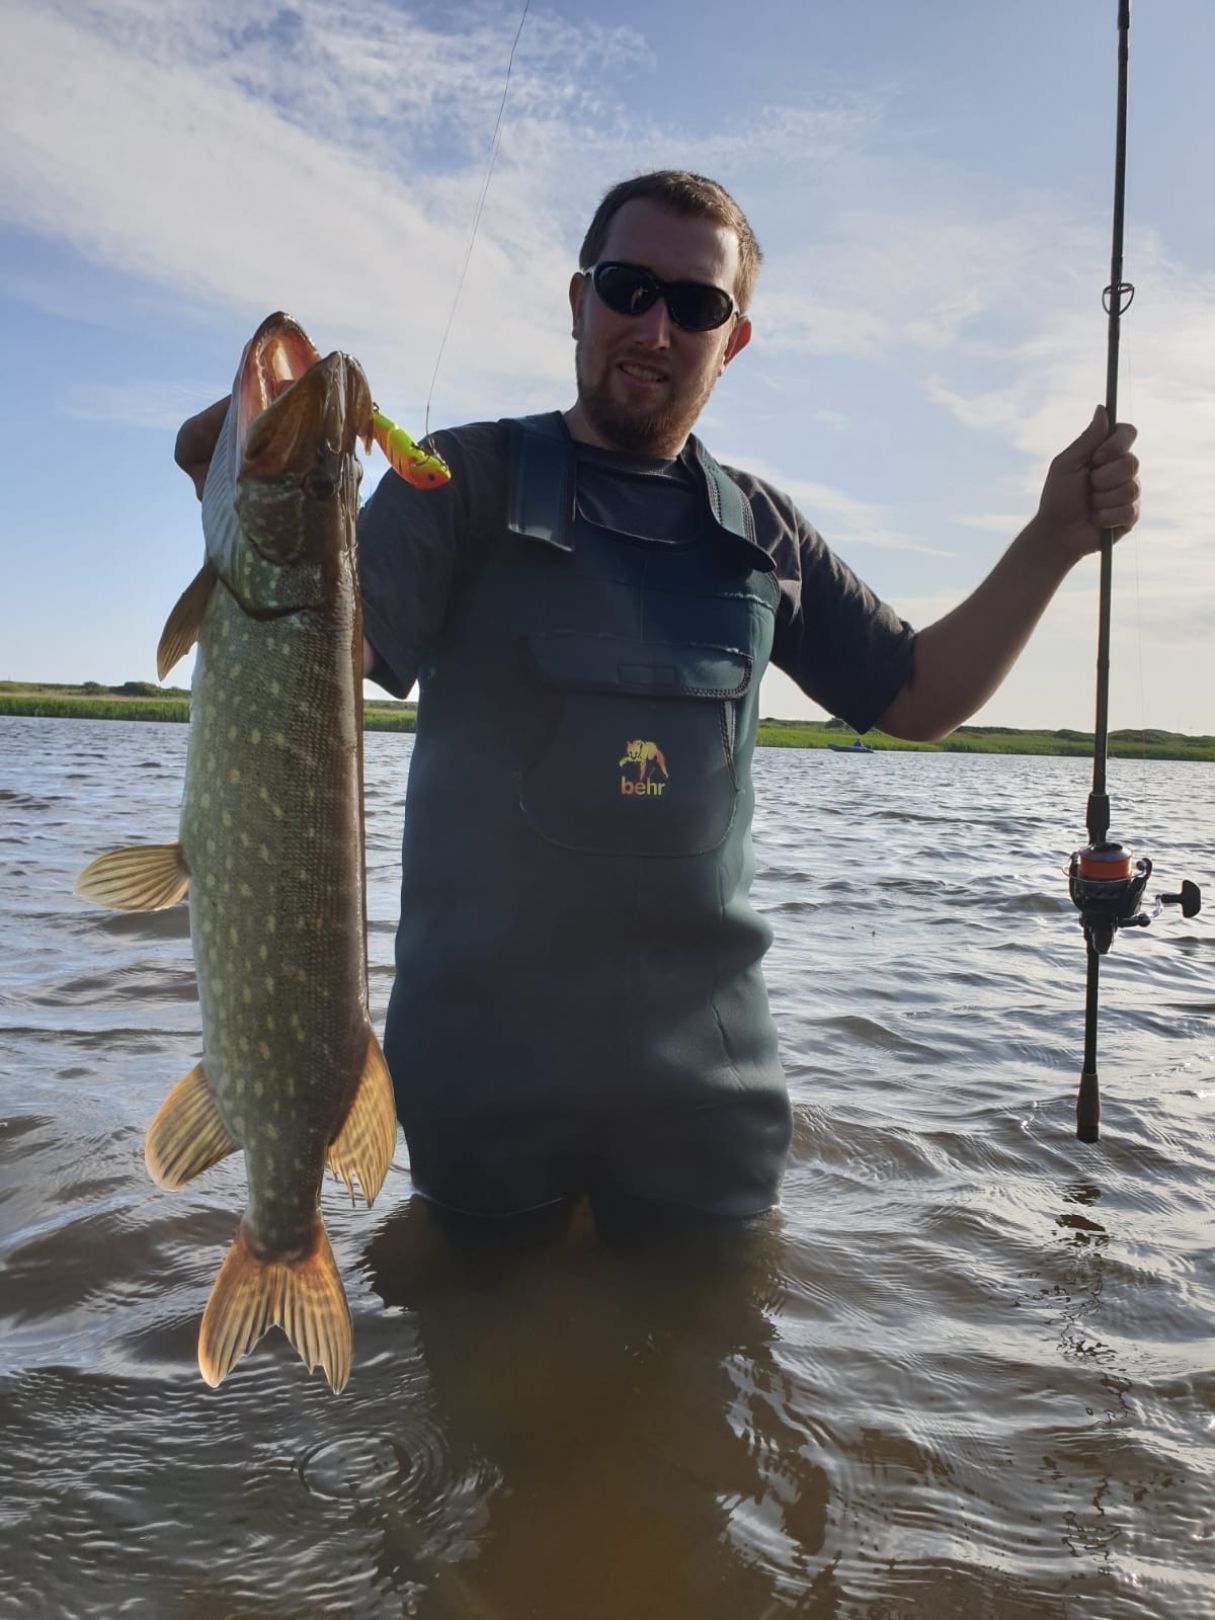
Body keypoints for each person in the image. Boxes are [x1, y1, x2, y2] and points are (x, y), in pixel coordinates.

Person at [175, 170, 1140, 1232]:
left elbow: (917, 695)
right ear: (579, 299)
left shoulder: (763, 532)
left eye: (697, 304)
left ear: (733, 341)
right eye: (630, 288)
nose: (656, 325)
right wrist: (240, 488)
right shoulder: (454, 484)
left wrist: (1054, 539)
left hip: (705, 1117)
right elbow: (316, 652)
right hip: (482, 1099)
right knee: (473, 1379)